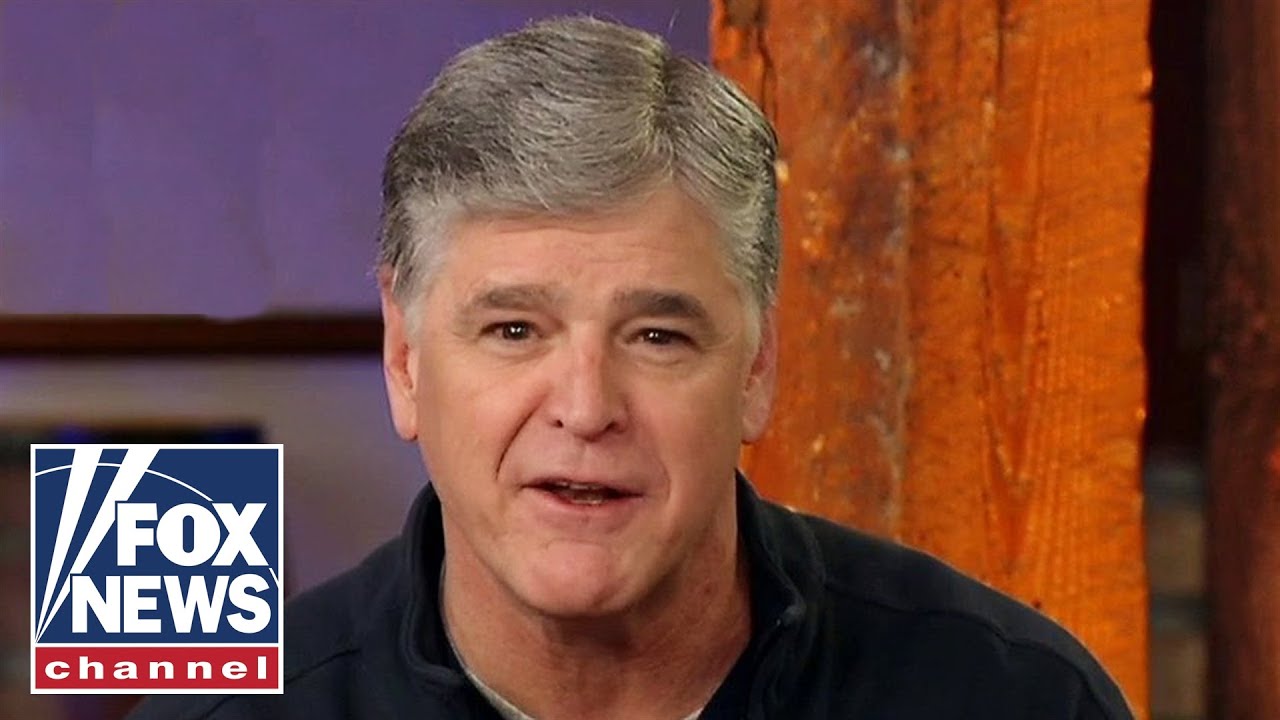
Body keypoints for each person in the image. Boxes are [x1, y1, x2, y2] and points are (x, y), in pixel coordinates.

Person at [132, 15, 1133, 720]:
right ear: (404, 357)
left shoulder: (1013, 697)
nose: (585, 408)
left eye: (657, 337)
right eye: (514, 330)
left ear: (756, 368)